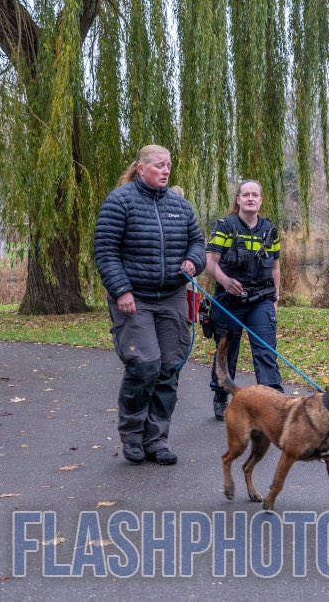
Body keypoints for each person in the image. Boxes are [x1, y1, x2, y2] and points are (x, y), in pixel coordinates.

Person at [94, 145, 206, 465]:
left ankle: (156, 439)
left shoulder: (179, 206)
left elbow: (198, 243)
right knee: (145, 365)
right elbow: (105, 251)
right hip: (134, 298)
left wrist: (192, 261)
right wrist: (121, 291)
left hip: (171, 297)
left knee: (169, 368)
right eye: (159, 166)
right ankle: (132, 435)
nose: (166, 171)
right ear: (141, 169)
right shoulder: (120, 202)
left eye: (169, 165)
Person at [204, 179, 282, 420]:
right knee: (227, 349)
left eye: (255, 195)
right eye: (245, 194)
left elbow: (276, 267)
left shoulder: (270, 230)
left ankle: (273, 401)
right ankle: (221, 393)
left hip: (261, 300)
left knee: (266, 350)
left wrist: (276, 299)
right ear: (238, 200)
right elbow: (209, 262)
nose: (250, 198)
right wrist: (226, 281)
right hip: (229, 300)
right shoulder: (225, 227)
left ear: (260, 200)